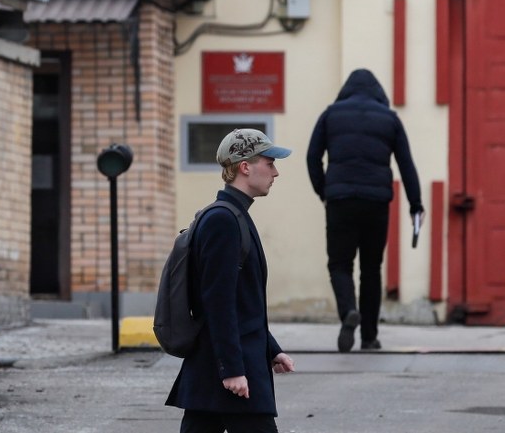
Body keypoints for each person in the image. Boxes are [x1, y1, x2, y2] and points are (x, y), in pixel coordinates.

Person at [166, 128, 296, 433]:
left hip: (224, 364)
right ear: (245, 166)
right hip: (231, 370)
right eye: (269, 162)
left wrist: (271, 348)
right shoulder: (223, 220)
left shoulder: (234, 215)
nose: (275, 172)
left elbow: (242, 300)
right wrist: (232, 370)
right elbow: (217, 302)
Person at [305, 69, 422, 353]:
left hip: (340, 200)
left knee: (340, 264)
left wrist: (325, 191)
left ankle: (348, 312)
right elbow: (406, 164)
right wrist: (415, 204)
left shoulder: (331, 115)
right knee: (372, 269)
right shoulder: (389, 118)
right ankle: (369, 338)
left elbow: (312, 157)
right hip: (376, 202)